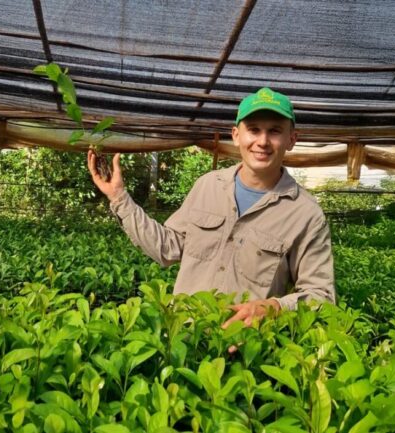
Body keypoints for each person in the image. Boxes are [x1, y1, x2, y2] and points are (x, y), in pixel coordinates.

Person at [87, 87, 335, 330]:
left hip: (244, 352)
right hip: (182, 337)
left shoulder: (305, 214)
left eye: (274, 131)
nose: (262, 141)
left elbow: (321, 296)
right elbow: (167, 247)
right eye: (254, 130)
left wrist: (272, 308)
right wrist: (119, 197)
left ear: (292, 139)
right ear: (237, 135)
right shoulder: (208, 186)